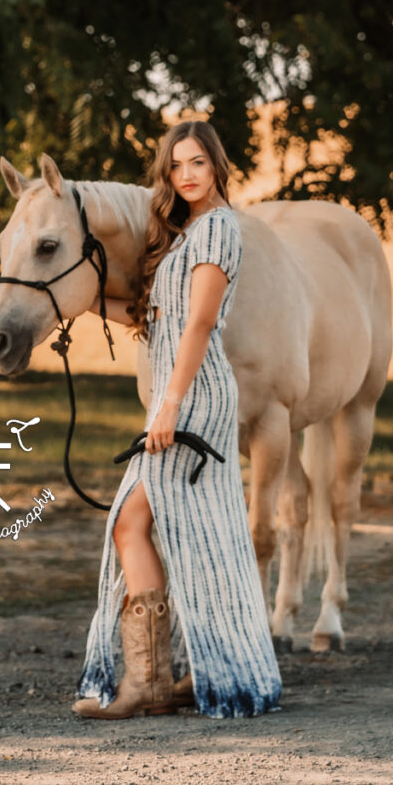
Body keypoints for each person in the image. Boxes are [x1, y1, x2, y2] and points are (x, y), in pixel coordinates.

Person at [73, 120, 282, 719]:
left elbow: (198, 325)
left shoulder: (217, 229)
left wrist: (167, 404)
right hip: (181, 396)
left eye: (196, 162)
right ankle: (184, 672)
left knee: (131, 523)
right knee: (198, 539)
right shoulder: (185, 233)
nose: (186, 175)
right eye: (175, 166)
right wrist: (70, 295)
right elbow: (152, 315)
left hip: (192, 401)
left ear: (216, 163)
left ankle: (147, 684)